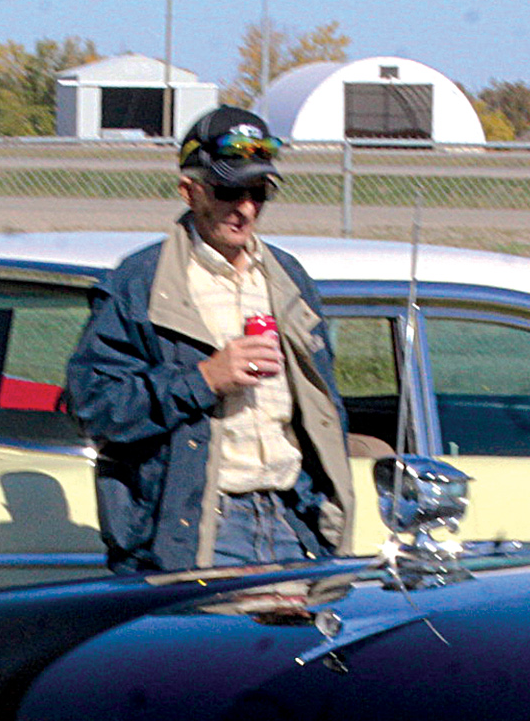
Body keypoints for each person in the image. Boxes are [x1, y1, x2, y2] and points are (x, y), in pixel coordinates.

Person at [65, 106, 352, 572]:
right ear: (189, 190)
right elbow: (96, 406)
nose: (245, 208)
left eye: (259, 192)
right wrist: (204, 379)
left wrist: (321, 510)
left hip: (293, 523)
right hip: (201, 531)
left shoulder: (289, 279)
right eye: (228, 191)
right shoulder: (141, 282)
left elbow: (325, 407)